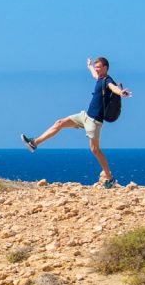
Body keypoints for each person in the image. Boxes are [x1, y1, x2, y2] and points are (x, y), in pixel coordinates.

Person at [21, 56, 132, 187]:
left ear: (105, 68)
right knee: (60, 123)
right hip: (84, 116)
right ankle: (34, 143)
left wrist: (121, 92)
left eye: (98, 67)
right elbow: (93, 74)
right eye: (95, 67)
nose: (96, 69)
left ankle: (110, 179)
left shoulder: (107, 80)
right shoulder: (99, 78)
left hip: (94, 122)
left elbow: (114, 88)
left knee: (95, 149)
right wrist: (89, 65)